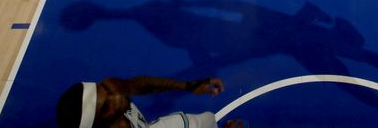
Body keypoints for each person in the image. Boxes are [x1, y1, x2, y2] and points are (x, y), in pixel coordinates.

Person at [55, 75, 241, 128]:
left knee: (207, 119)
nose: (116, 97)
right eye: (105, 107)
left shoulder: (114, 95)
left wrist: (188, 86)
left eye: (105, 89)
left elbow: (139, 85)